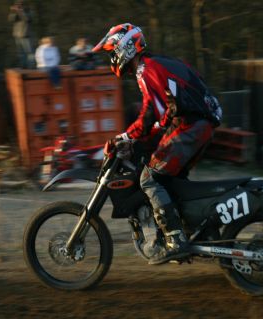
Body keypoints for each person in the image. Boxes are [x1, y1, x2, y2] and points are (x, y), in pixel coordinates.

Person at [92, 23, 222, 265]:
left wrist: (125, 137)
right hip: (198, 125)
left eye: (112, 53)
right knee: (171, 181)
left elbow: (153, 113)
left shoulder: (146, 69)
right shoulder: (158, 63)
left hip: (189, 126)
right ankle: (197, 231)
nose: (111, 59)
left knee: (149, 178)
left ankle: (175, 240)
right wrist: (134, 137)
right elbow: (161, 114)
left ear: (124, 48)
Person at [8, 0, 33, 68]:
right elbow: (10, 19)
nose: (18, 6)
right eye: (17, 4)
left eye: (20, 4)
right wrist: (12, 11)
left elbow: (26, 19)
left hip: (25, 34)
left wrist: (20, 11)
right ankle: (23, 66)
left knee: (29, 52)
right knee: (20, 53)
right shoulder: (16, 12)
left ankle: (31, 66)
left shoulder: (29, 11)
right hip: (17, 34)